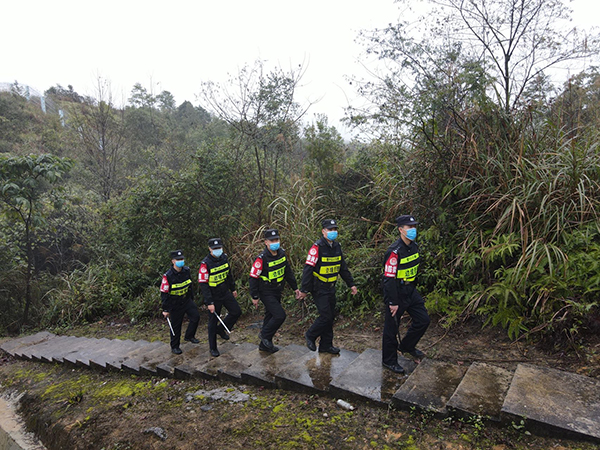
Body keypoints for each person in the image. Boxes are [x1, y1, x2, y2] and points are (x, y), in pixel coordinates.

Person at [298, 219, 358, 354]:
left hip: (331, 286)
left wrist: (351, 284)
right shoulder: (317, 247)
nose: (333, 232)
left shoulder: (337, 246)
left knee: (330, 317)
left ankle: (326, 345)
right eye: (330, 229)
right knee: (325, 316)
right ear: (323, 231)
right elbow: (308, 269)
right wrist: (304, 290)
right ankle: (310, 334)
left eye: (335, 229)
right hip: (319, 287)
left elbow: (342, 267)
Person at [381, 215, 431, 374]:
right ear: (401, 230)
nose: (413, 230)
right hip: (396, 293)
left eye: (414, 226)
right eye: (409, 227)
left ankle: (407, 346)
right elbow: (388, 278)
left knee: (423, 320)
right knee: (391, 329)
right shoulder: (394, 251)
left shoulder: (414, 246)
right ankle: (389, 360)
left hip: (410, 291)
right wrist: (392, 301)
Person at [249, 228, 301, 353]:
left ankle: (265, 345)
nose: (275, 242)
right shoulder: (261, 258)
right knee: (279, 315)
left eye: (276, 240)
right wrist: (254, 296)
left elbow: (288, 272)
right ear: (266, 242)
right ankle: (264, 335)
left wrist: (295, 288)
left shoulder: (282, 253)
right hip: (266, 291)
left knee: (270, 316)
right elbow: (253, 277)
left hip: (277, 289)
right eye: (272, 241)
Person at [198, 238, 241, 357]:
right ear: (210, 249)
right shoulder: (205, 264)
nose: (218, 250)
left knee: (236, 311)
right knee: (212, 321)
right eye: (215, 248)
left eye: (219, 248)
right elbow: (203, 285)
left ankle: (221, 329)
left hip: (225, 291)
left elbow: (228, 274)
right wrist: (209, 302)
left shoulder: (224, 258)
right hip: (213, 296)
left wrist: (233, 288)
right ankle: (213, 348)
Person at [160, 249, 201, 354]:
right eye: (178, 259)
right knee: (176, 326)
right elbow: (164, 293)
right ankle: (175, 346)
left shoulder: (186, 271)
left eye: (182, 259)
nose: (180, 261)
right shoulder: (168, 276)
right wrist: (165, 309)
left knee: (195, 317)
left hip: (186, 300)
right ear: (173, 261)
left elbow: (190, 285)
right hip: (175, 303)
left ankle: (189, 336)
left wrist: (191, 298)